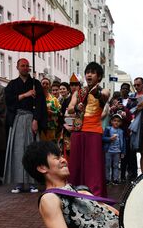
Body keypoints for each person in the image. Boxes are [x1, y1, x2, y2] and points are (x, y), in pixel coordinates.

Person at [3, 59, 46, 193]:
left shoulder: (36, 83)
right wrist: (25, 95)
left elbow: (40, 104)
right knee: (17, 152)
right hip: (17, 119)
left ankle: (32, 182)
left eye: (27, 66)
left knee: (31, 151)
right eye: (23, 65)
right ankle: (19, 183)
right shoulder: (12, 84)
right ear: (17, 67)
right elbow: (8, 101)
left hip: (30, 119)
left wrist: (36, 120)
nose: (25, 68)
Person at [67, 62, 110, 197]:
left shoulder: (104, 90)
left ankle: (95, 194)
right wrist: (76, 108)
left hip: (94, 131)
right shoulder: (78, 92)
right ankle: (75, 191)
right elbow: (69, 109)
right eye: (87, 72)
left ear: (99, 76)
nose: (89, 75)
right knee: (75, 164)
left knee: (93, 164)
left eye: (92, 72)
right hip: (78, 130)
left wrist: (95, 92)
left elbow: (104, 96)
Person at [103, 114, 125, 185]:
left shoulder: (121, 131)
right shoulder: (108, 129)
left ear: (121, 123)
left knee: (116, 165)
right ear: (111, 121)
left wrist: (123, 152)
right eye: (114, 121)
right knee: (107, 165)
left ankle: (115, 179)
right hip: (108, 151)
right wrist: (110, 139)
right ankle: (107, 179)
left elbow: (123, 142)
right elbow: (103, 138)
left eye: (118, 121)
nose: (116, 122)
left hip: (117, 151)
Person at [39, 77, 62, 143]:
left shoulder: (53, 99)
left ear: (49, 86)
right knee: (41, 147)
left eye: (47, 84)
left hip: (51, 126)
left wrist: (52, 112)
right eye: (43, 83)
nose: (45, 85)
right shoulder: (37, 98)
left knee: (51, 147)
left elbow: (59, 111)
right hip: (40, 127)